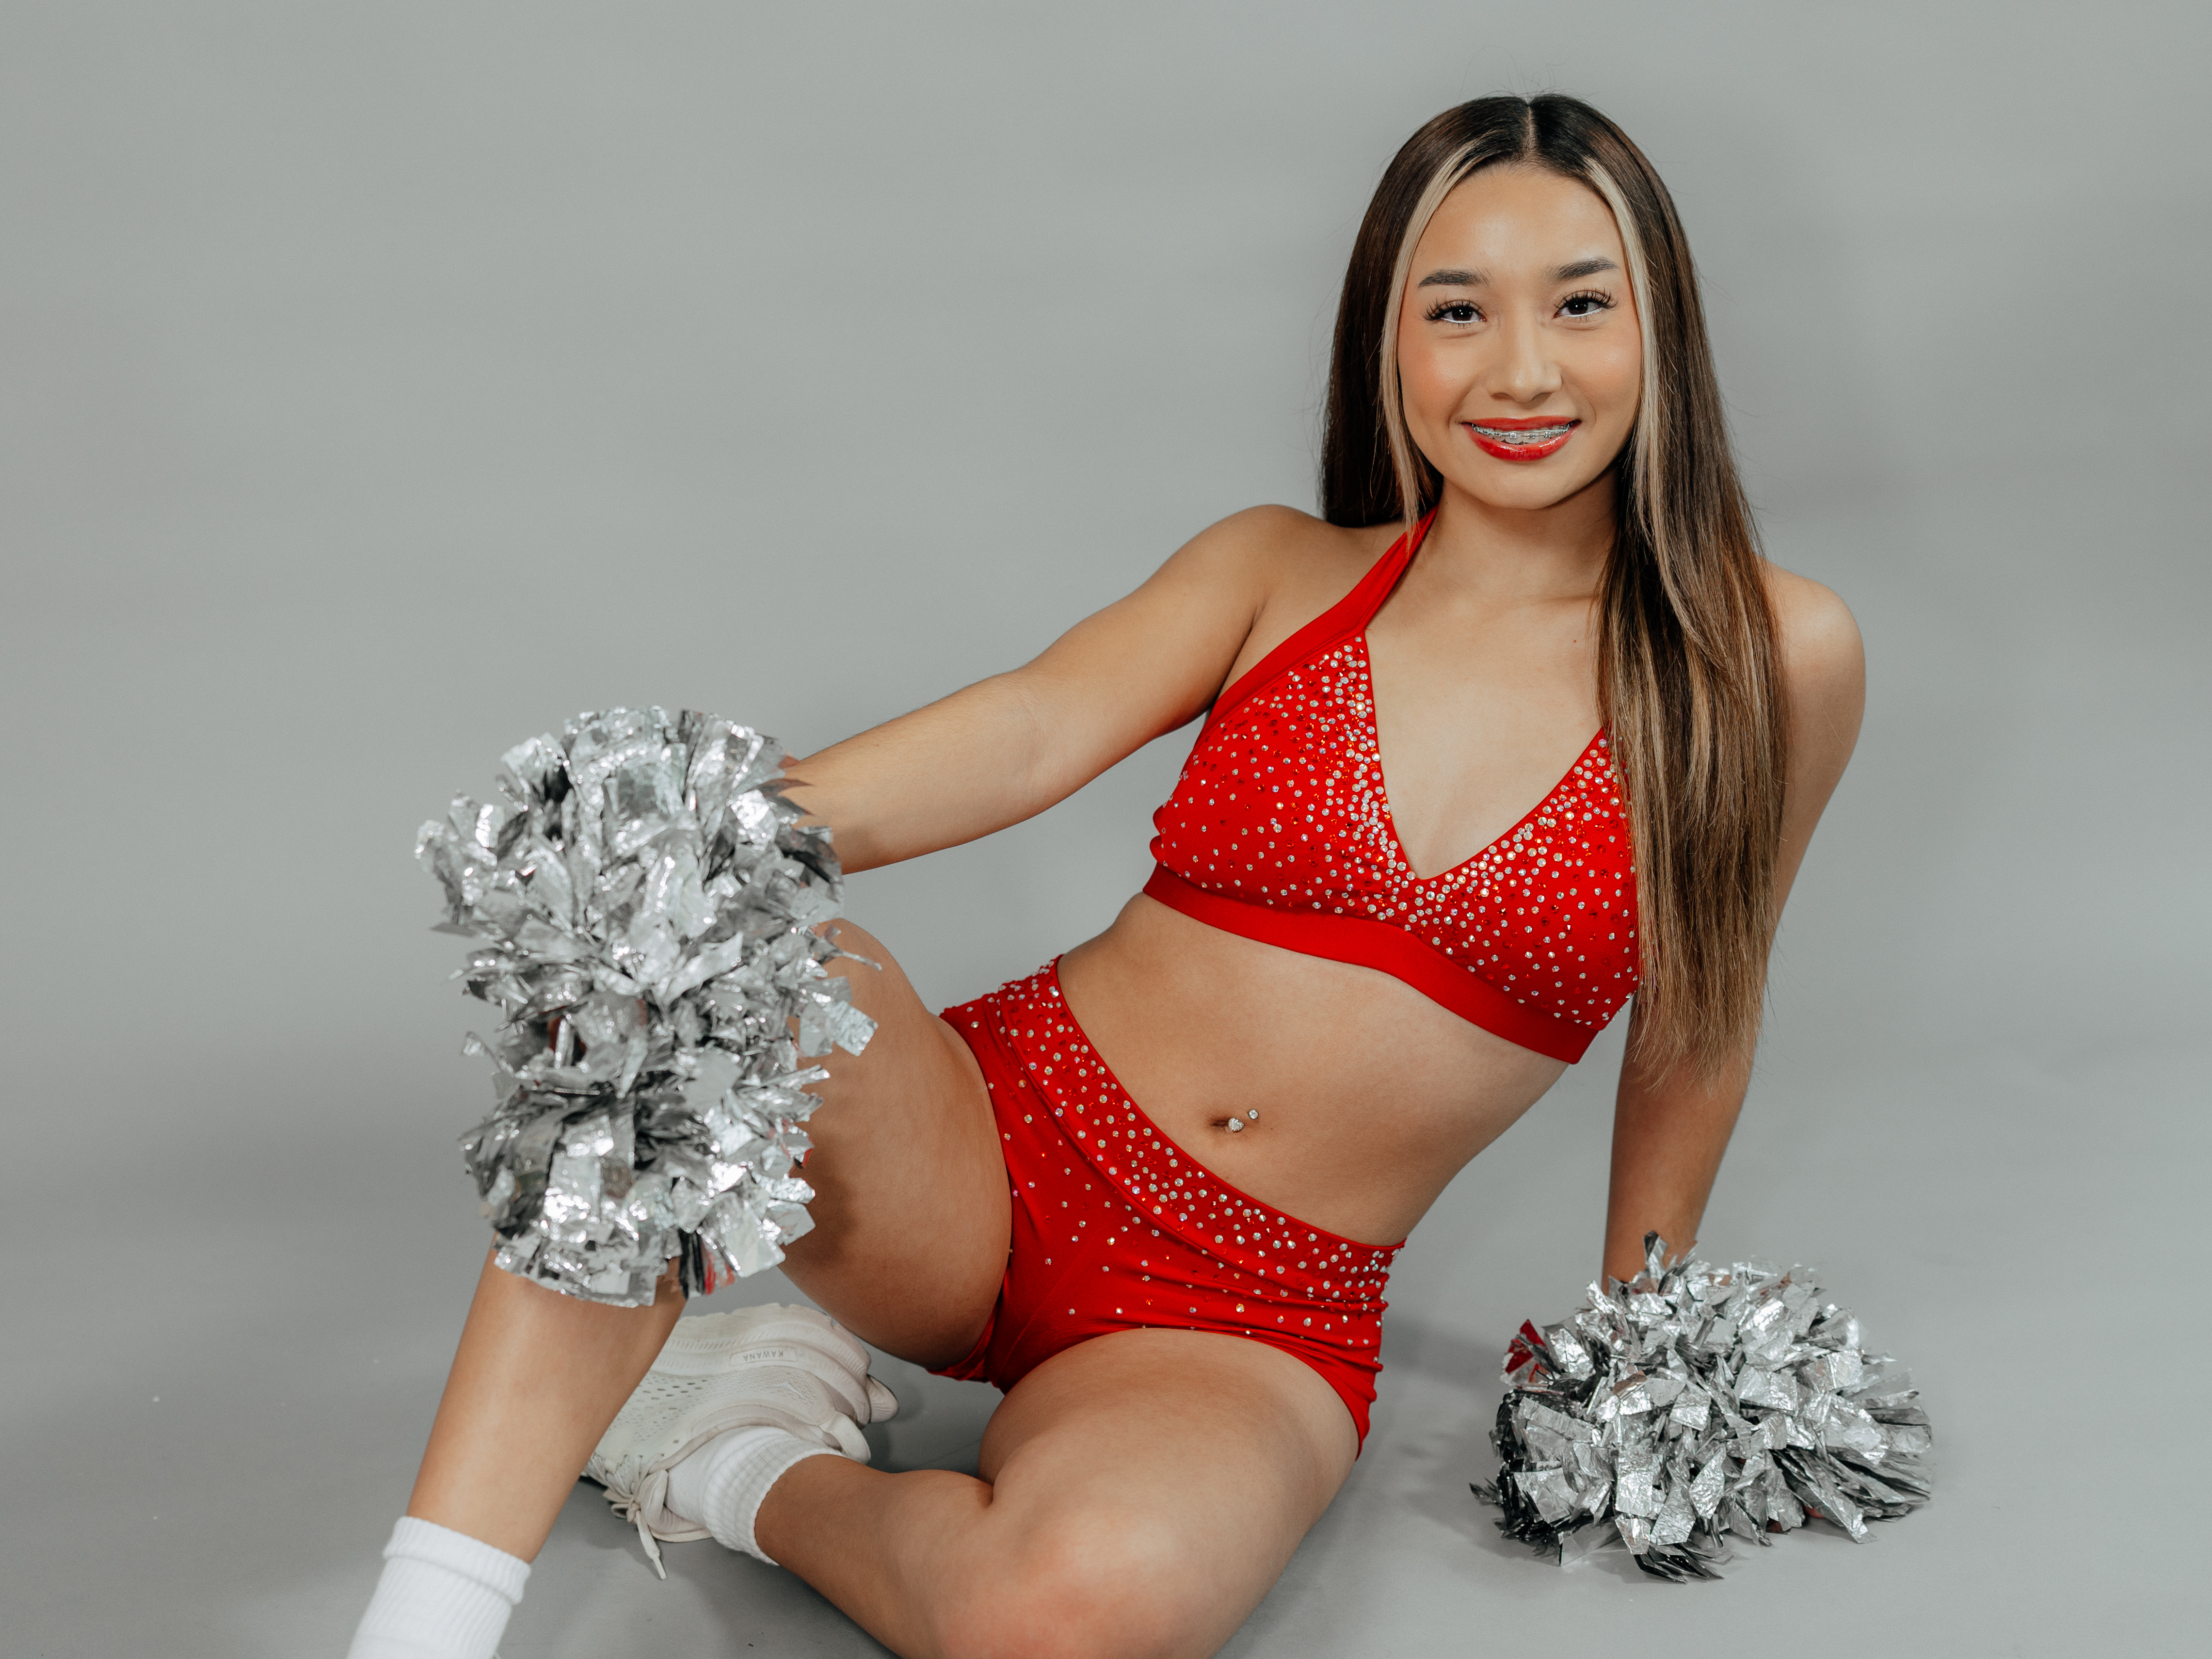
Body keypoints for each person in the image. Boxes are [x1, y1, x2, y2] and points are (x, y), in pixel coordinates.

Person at [349, 92, 1865, 1659]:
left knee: (1066, 1616)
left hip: (1250, 1313)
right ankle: (423, 1630)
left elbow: (1699, 1016)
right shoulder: (1282, 570)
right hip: (980, 1160)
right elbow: (1027, 731)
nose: (1522, 370)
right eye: (1458, 310)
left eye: (1580, 306)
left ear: (1660, 329)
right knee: (696, 962)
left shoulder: (1767, 659)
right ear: (1388, 338)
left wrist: (1641, 1347)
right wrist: (695, 833)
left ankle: (730, 1454)